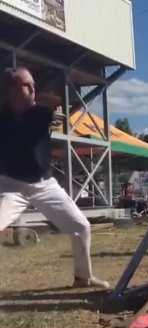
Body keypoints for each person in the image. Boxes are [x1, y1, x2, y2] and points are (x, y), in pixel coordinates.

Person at [0, 66, 109, 288]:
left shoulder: (41, 113)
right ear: (11, 89)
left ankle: (83, 278)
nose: (33, 88)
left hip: (44, 184)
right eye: (26, 84)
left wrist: (57, 112)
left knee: (81, 227)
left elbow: (57, 116)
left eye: (33, 84)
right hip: (11, 185)